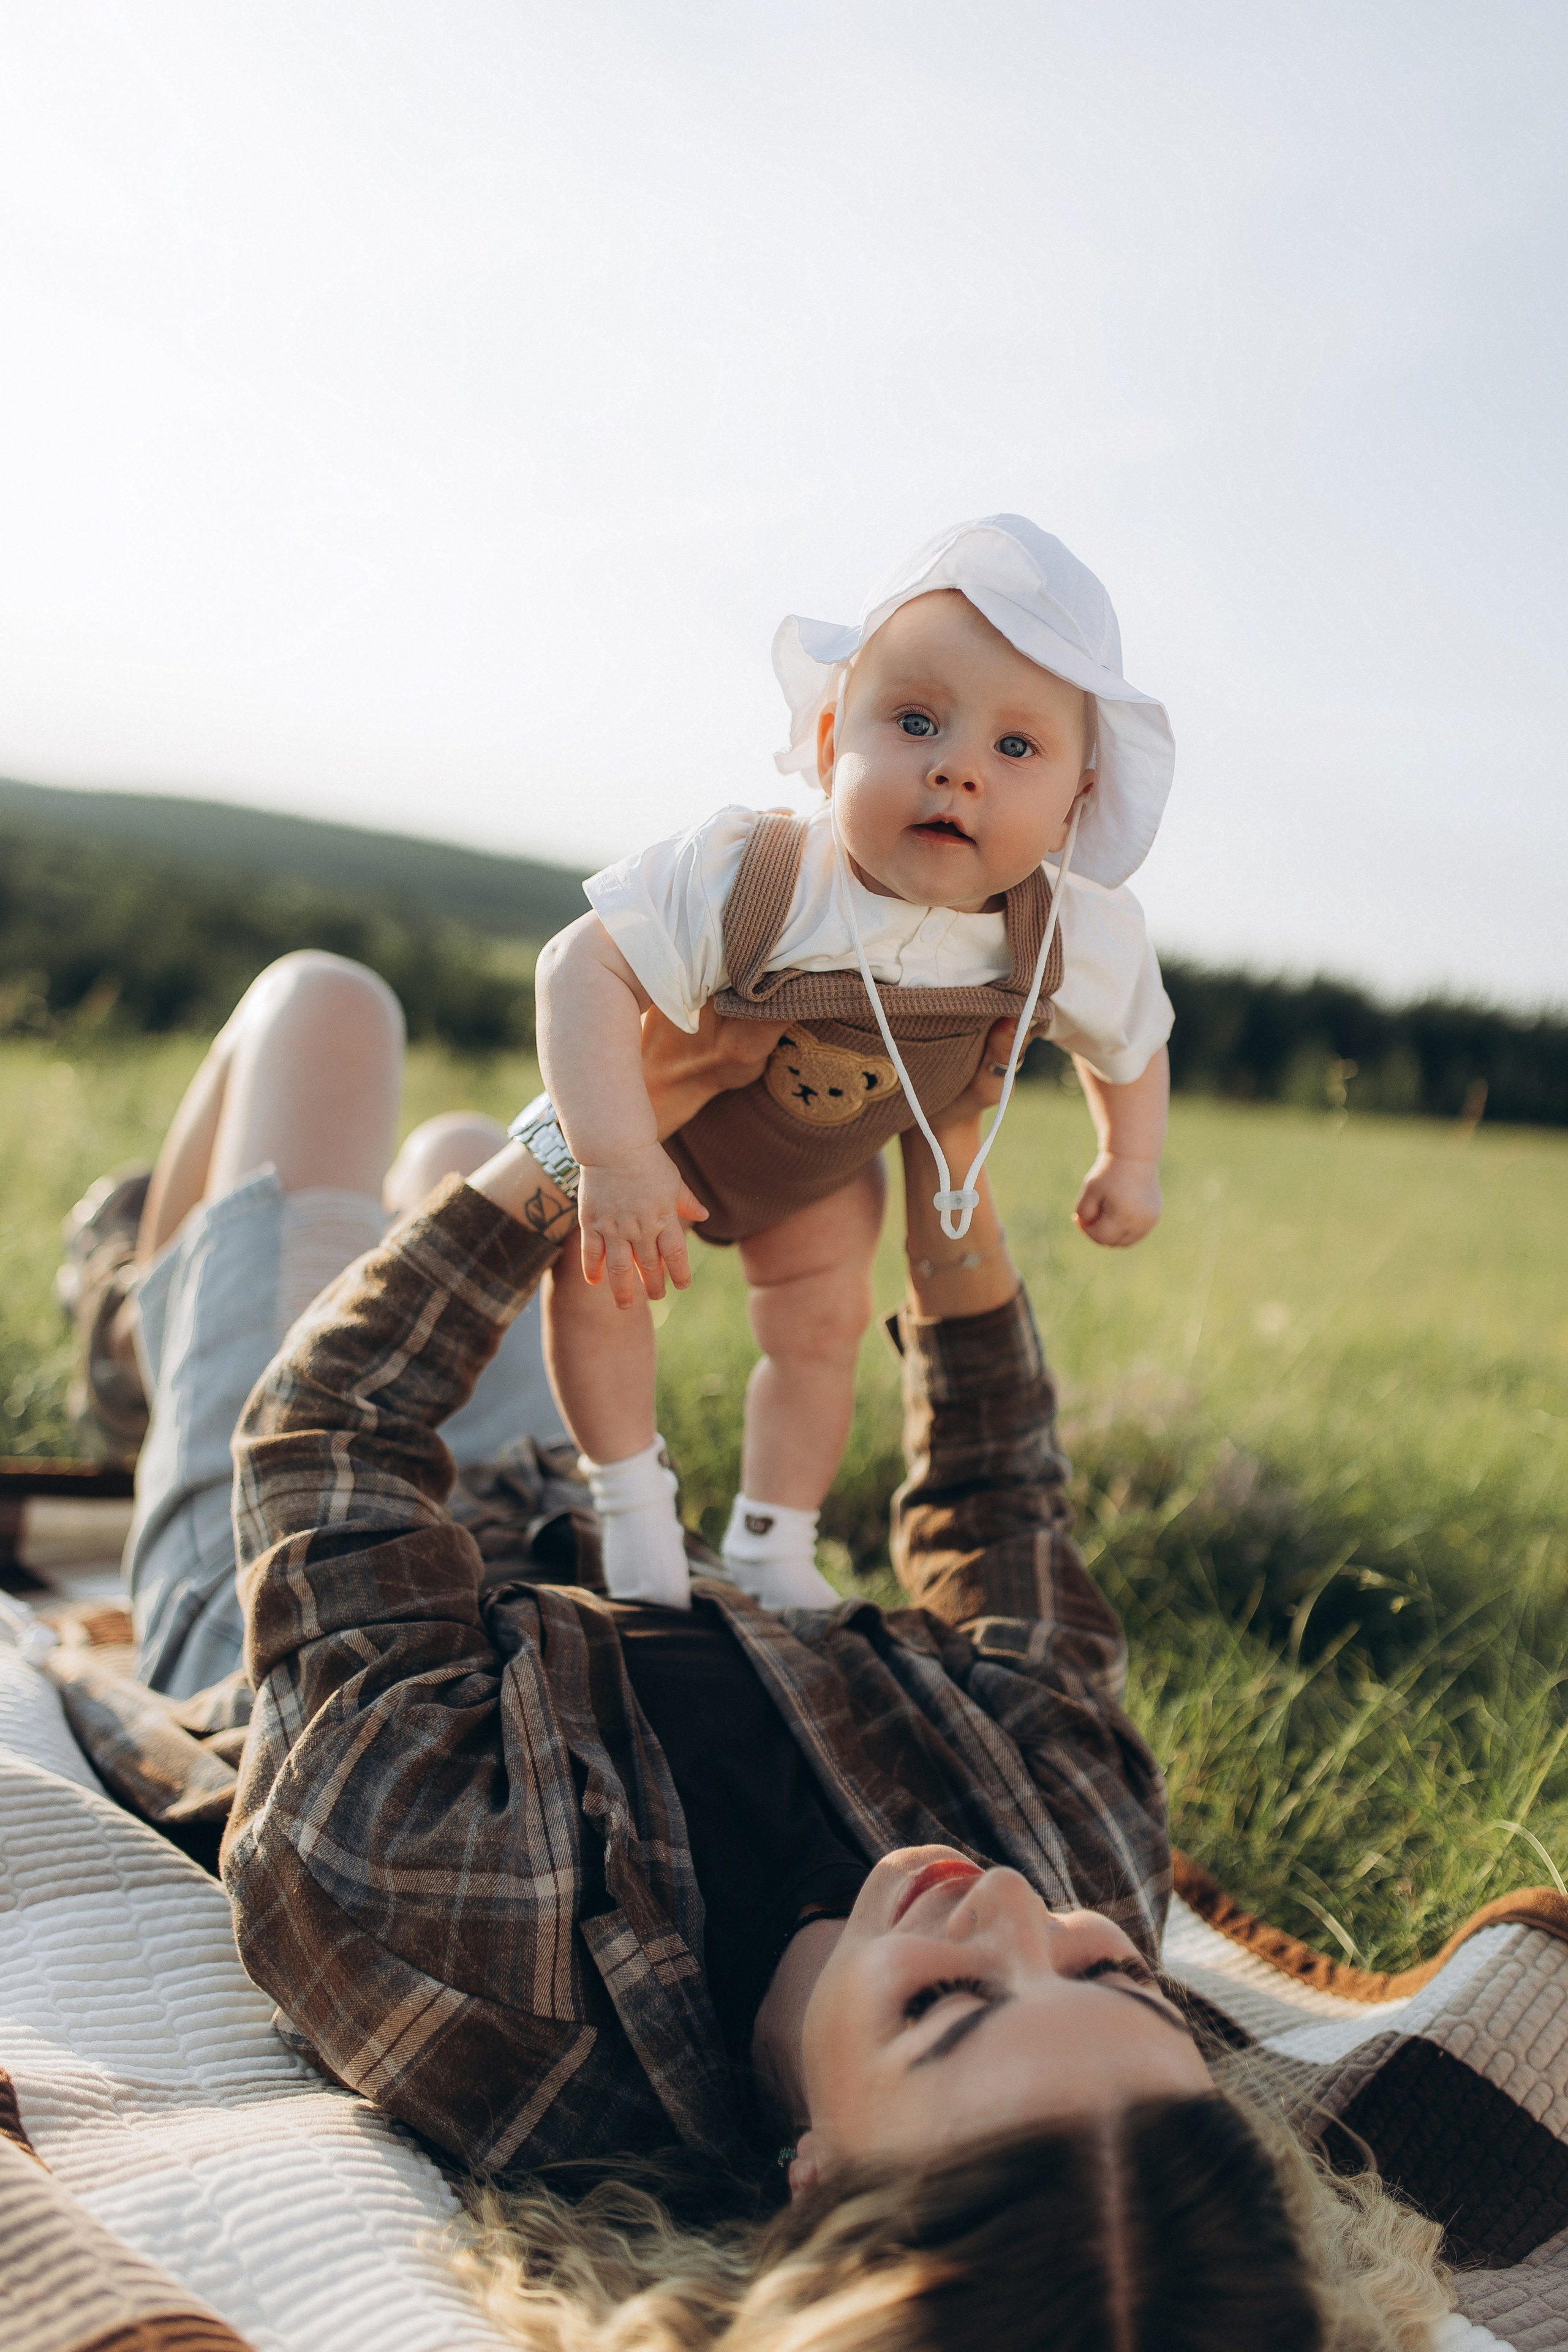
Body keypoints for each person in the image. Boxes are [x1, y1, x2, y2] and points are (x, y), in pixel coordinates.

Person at [132, 955, 1446, 2349]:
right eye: (1112, 1978)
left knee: (329, 1009)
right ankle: (192, 1305)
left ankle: (134, 1339)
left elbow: (325, 1436)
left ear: (806, 2180)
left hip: (295, 1572)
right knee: (459, 1157)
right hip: (547, 1502)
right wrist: (950, 1190)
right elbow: (1001, 1512)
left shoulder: (464, 1942)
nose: (1011, 1911)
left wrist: (582, 1136)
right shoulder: (1084, 1860)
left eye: (945, 2006)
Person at [533, 515, 1175, 1613]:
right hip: (666, 1134)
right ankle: (632, 1503)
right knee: (599, 1282)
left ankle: (772, 1541)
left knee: (822, 1329)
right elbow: (578, 964)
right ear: (833, 740)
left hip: (825, 1171)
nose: (957, 770)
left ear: (1076, 802)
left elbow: (1133, 1036)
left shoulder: (1065, 928)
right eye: (917, 720)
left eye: (1016, 749)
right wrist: (616, 1155)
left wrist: (1130, 1156)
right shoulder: (758, 872)